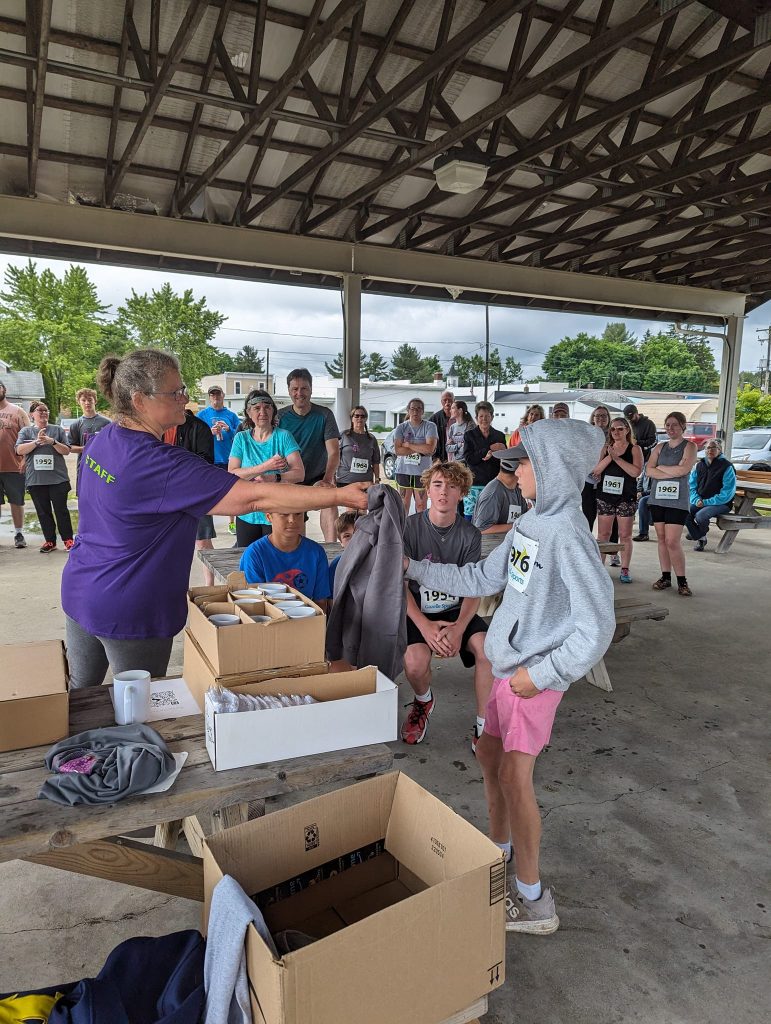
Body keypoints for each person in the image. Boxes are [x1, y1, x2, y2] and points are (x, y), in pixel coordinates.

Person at [404, 418, 614, 935]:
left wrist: (542, 675)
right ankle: (497, 859)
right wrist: (412, 567)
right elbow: (481, 576)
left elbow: (597, 626)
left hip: (528, 680)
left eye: (524, 463)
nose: (514, 471)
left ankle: (532, 899)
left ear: (552, 469)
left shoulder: (568, 535)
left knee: (516, 781)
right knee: (489, 759)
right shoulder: (529, 524)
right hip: (504, 669)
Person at [61, 350, 367, 689]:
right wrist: (340, 495)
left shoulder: (101, 440)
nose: (185, 398)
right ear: (139, 400)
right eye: (175, 392)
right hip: (130, 607)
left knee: (77, 698)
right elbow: (254, 496)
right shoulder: (160, 464)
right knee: (138, 709)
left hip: (80, 588)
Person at [400, 461, 493, 754]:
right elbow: (398, 586)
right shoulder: (408, 528)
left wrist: (459, 628)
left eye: (452, 486)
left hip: (457, 610)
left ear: (462, 493)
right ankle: (423, 700)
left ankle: (484, 726)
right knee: (414, 662)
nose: (443, 492)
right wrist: (425, 626)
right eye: (438, 485)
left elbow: (474, 586)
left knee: (489, 650)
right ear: (427, 490)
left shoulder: (470, 534)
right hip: (418, 609)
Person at [228, 390, 304, 547]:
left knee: (275, 560)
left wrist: (274, 477)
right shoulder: (241, 438)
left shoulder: (284, 436)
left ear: (273, 411)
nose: (262, 412)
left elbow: (299, 473)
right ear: (249, 413)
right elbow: (233, 472)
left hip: (277, 511)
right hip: (247, 512)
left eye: (267, 407)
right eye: (256, 408)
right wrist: (266, 466)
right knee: (247, 559)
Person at [277, 369, 340, 542]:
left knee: (330, 501)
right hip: (291, 479)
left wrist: (327, 479)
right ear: (289, 391)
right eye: (295, 389)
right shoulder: (280, 417)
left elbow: (334, 451)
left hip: (318, 477)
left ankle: (331, 550)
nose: (299, 393)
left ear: (311, 389)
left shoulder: (325, 415)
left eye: (304, 388)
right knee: (296, 526)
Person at [646, 411, 698, 596]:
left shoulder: (689, 446)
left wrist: (661, 468)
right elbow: (649, 471)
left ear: (683, 426)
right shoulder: (659, 447)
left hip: (678, 501)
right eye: (668, 425)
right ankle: (665, 576)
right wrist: (671, 471)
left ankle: (682, 581)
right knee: (661, 538)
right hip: (658, 498)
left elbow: (685, 469)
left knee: (672, 541)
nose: (671, 428)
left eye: (675, 424)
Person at [165, 407, 218, 587]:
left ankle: (209, 587)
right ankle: (174, 587)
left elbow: (206, 463)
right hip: (165, 494)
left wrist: (175, 467)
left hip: (195, 494)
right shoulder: (157, 425)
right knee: (169, 543)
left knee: (202, 542)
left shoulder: (199, 427)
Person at [239, 510, 332, 611]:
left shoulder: (316, 552)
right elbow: (254, 605)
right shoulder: (254, 554)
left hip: (306, 621)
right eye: (284, 514)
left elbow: (321, 602)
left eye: (298, 513)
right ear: (269, 517)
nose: (292, 520)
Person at [15, 403, 74, 552]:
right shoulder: (26, 431)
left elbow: (66, 451)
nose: (43, 413)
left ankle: (68, 540)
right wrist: (37, 442)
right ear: (31, 415)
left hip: (58, 480)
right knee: (43, 512)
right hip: (36, 480)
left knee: (61, 511)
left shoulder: (57, 430)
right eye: (39, 411)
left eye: (46, 410)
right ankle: (50, 541)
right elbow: (19, 450)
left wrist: (51, 441)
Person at [591, 417, 643, 583]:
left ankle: (625, 568)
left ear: (627, 430)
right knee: (603, 534)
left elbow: (636, 472)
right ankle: (600, 567)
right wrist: (610, 456)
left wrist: (618, 459)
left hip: (625, 497)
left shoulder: (635, 449)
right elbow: (596, 471)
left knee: (624, 534)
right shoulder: (605, 448)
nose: (616, 432)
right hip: (605, 496)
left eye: (620, 429)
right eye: (613, 429)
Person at [197, 385, 241, 534]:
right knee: (208, 493)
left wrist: (229, 429)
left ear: (223, 396)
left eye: (218, 394)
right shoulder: (202, 415)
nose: (215, 397)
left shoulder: (232, 415)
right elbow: (196, 436)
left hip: (229, 459)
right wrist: (210, 431)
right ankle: (208, 525)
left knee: (232, 492)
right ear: (209, 397)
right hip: (210, 459)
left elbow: (240, 436)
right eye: (212, 394)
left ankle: (232, 523)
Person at [686, 439, 736, 552]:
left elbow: (727, 493)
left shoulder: (727, 467)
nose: (710, 450)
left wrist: (706, 502)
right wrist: (696, 499)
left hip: (721, 503)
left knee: (701, 516)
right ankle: (699, 535)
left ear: (720, 450)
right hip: (700, 500)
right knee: (683, 511)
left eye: (714, 448)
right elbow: (691, 486)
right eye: (708, 448)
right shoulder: (699, 465)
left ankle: (698, 537)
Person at [393, 398, 438, 514]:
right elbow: (398, 450)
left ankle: (419, 530)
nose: (415, 411)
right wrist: (420, 448)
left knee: (421, 505)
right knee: (403, 504)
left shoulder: (430, 426)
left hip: (422, 472)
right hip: (403, 470)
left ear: (423, 411)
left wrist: (408, 445)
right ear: (408, 411)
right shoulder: (401, 427)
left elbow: (430, 449)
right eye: (412, 408)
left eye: (419, 409)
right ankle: (403, 530)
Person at [462, 401, 507, 520]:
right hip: (474, 484)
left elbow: (504, 459)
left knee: (492, 517)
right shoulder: (469, 435)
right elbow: (469, 459)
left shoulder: (499, 436)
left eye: (487, 416)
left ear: (492, 417)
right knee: (470, 517)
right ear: (476, 418)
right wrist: (489, 448)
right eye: (481, 416)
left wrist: (501, 450)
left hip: (494, 483)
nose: (484, 419)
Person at [0, 379, 31, 548]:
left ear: (4, 389)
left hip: (14, 466)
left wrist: (25, 459)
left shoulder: (18, 412)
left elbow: (29, 437)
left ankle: (19, 533)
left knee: (16, 501)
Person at [472, 451, 527, 533]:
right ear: (518, 471)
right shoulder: (493, 493)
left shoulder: (517, 487)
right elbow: (482, 529)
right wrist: (518, 525)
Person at [68, 388, 111, 485]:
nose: (87, 403)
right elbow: (70, 447)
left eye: (90, 400)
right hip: (84, 466)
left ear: (95, 401)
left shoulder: (107, 423)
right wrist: (86, 448)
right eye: (83, 400)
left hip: (104, 466)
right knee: (85, 495)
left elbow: (113, 445)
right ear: (79, 402)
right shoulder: (76, 424)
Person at [336, 407, 381, 494]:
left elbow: (376, 462)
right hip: (346, 479)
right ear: (352, 418)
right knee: (350, 506)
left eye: (362, 416)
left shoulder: (371, 438)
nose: (359, 418)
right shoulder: (343, 435)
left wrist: (377, 479)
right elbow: (335, 457)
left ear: (366, 419)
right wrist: (332, 477)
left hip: (366, 481)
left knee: (363, 506)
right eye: (356, 416)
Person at [582, 405, 611, 530]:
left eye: (604, 415)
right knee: (588, 516)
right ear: (593, 418)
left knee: (608, 520)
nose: (601, 418)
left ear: (609, 418)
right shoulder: (586, 435)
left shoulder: (614, 434)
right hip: (588, 481)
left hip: (608, 481)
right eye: (598, 415)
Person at [329, 510, 357, 593]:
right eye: (347, 536)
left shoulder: (377, 562)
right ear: (341, 541)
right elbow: (332, 601)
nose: (354, 540)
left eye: (358, 534)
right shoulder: (337, 565)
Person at [429, 389, 454, 462]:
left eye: (450, 400)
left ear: (454, 401)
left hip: (457, 457)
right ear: (441, 402)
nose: (447, 402)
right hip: (439, 458)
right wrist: (435, 458)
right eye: (444, 400)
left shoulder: (460, 416)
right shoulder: (434, 419)